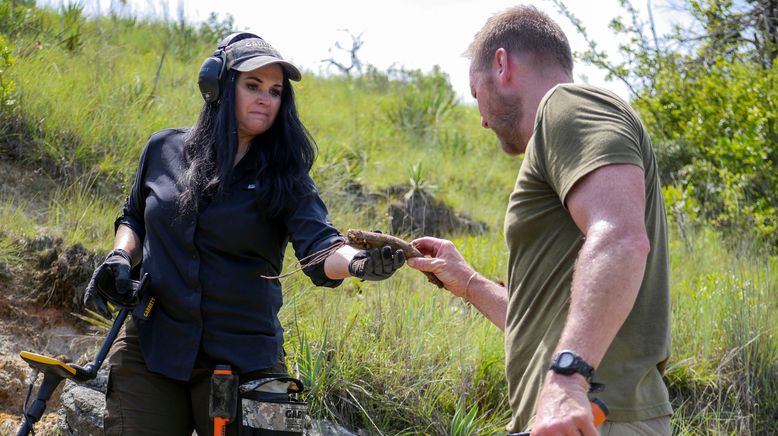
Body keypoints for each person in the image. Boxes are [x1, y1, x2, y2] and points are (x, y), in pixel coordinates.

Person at [83, 33, 405, 435]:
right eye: (253, 86)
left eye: (274, 91)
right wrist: (119, 256)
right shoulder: (162, 149)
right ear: (216, 86)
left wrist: (358, 263)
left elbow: (321, 248)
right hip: (153, 349)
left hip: (242, 363)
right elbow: (134, 218)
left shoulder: (287, 177)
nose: (265, 99)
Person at [407, 5, 672, 435]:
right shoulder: (558, 143)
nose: (482, 119)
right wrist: (469, 282)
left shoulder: (568, 104)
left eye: (477, 94)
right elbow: (551, 314)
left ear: (501, 64)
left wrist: (566, 380)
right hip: (567, 417)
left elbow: (621, 239)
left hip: (594, 414)